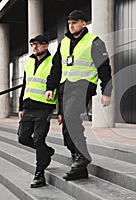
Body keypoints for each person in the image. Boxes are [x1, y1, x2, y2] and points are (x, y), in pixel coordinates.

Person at [45, 10, 112, 181]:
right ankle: (78, 162)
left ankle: (82, 156)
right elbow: (56, 68)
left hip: (83, 85)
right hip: (65, 86)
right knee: (66, 123)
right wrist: (50, 87)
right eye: (69, 23)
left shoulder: (94, 42)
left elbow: (104, 67)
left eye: (75, 22)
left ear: (84, 23)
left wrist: (107, 91)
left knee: (70, 116)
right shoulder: (64, 42)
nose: (71, 25)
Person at [18, 35, 57, 188]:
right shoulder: (29, 63)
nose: (34, 47)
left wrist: (51, 92)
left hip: (43, 107)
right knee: (23, 138)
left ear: (46, 46)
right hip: (28, 107)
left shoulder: (54, 62)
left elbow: (55, 80)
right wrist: (21, 107)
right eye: (33, 44)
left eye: (38, 44)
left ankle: (39, 174)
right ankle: (46, 152)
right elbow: (25, 85)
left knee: (39, 140)